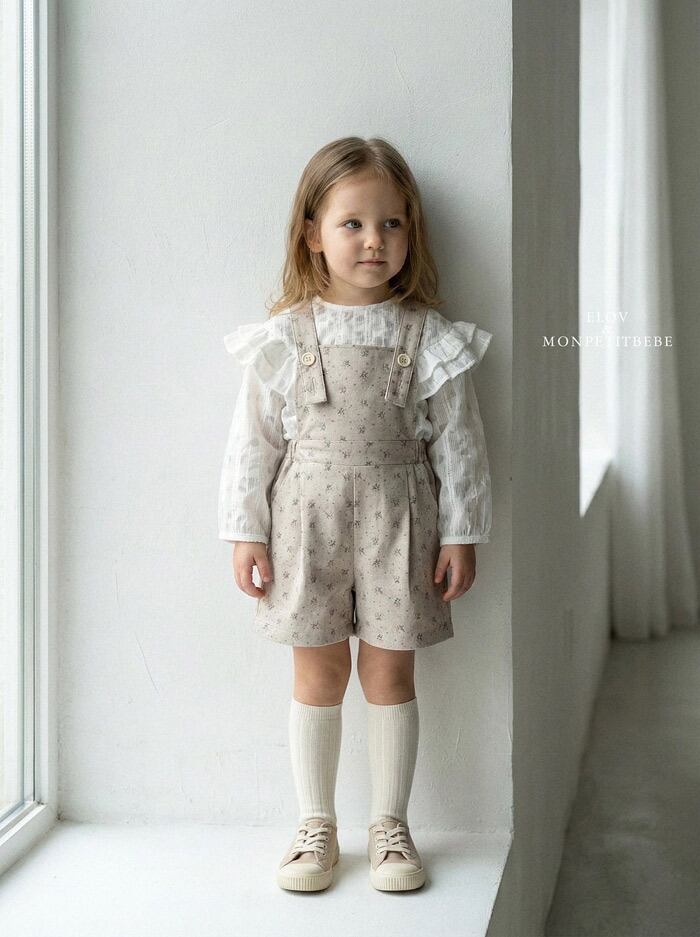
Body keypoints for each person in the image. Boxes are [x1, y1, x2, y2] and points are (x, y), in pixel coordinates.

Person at [218, 136, 493, 893]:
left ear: (411, 232)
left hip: (401, 523)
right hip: (304, 524)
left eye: (392, 223)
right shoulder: (285, 336)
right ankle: (316, 825)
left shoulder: (428, 336)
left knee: (389, 668)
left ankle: (390, 826)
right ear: (313, 232)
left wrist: (462, 531)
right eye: (353, 223)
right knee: (318, 669)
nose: (375, 240)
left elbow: (460, 443)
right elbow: (253, 441)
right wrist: (244, 529)